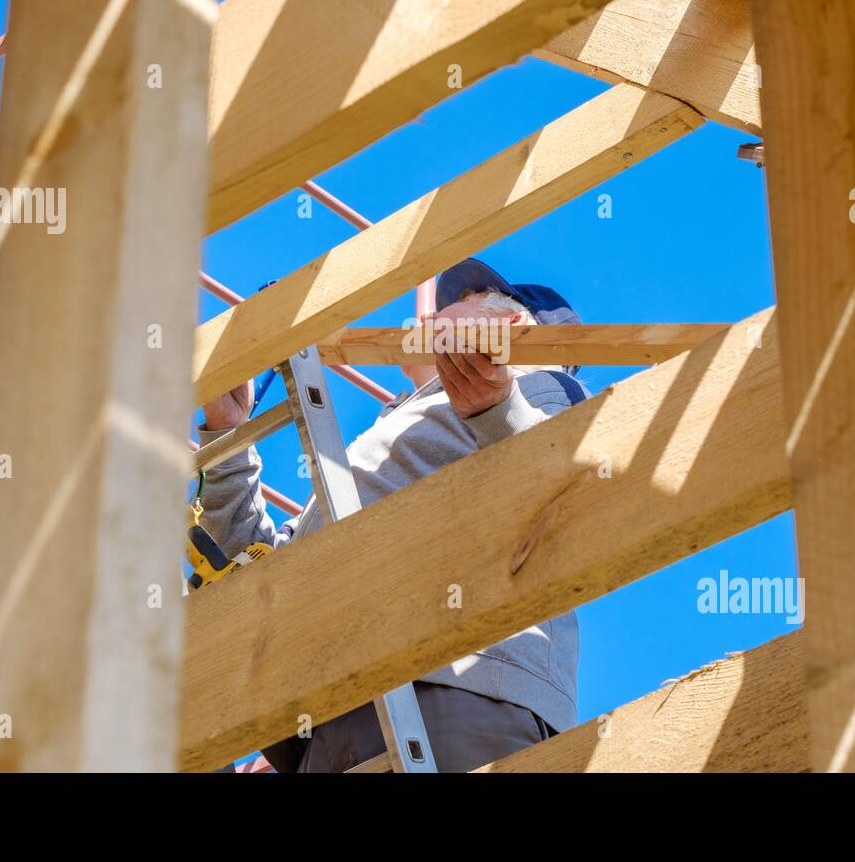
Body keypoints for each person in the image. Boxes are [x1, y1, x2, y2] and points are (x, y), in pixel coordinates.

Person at [198, 257, 589, 772]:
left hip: (456, 685)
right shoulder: (393, 435)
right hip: (330, 711)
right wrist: (228, 436)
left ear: (511, 325)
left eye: (458, 301)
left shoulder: (543, 388)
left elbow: (561, 498)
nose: (426, 321)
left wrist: (498, 408)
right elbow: (262, 570)